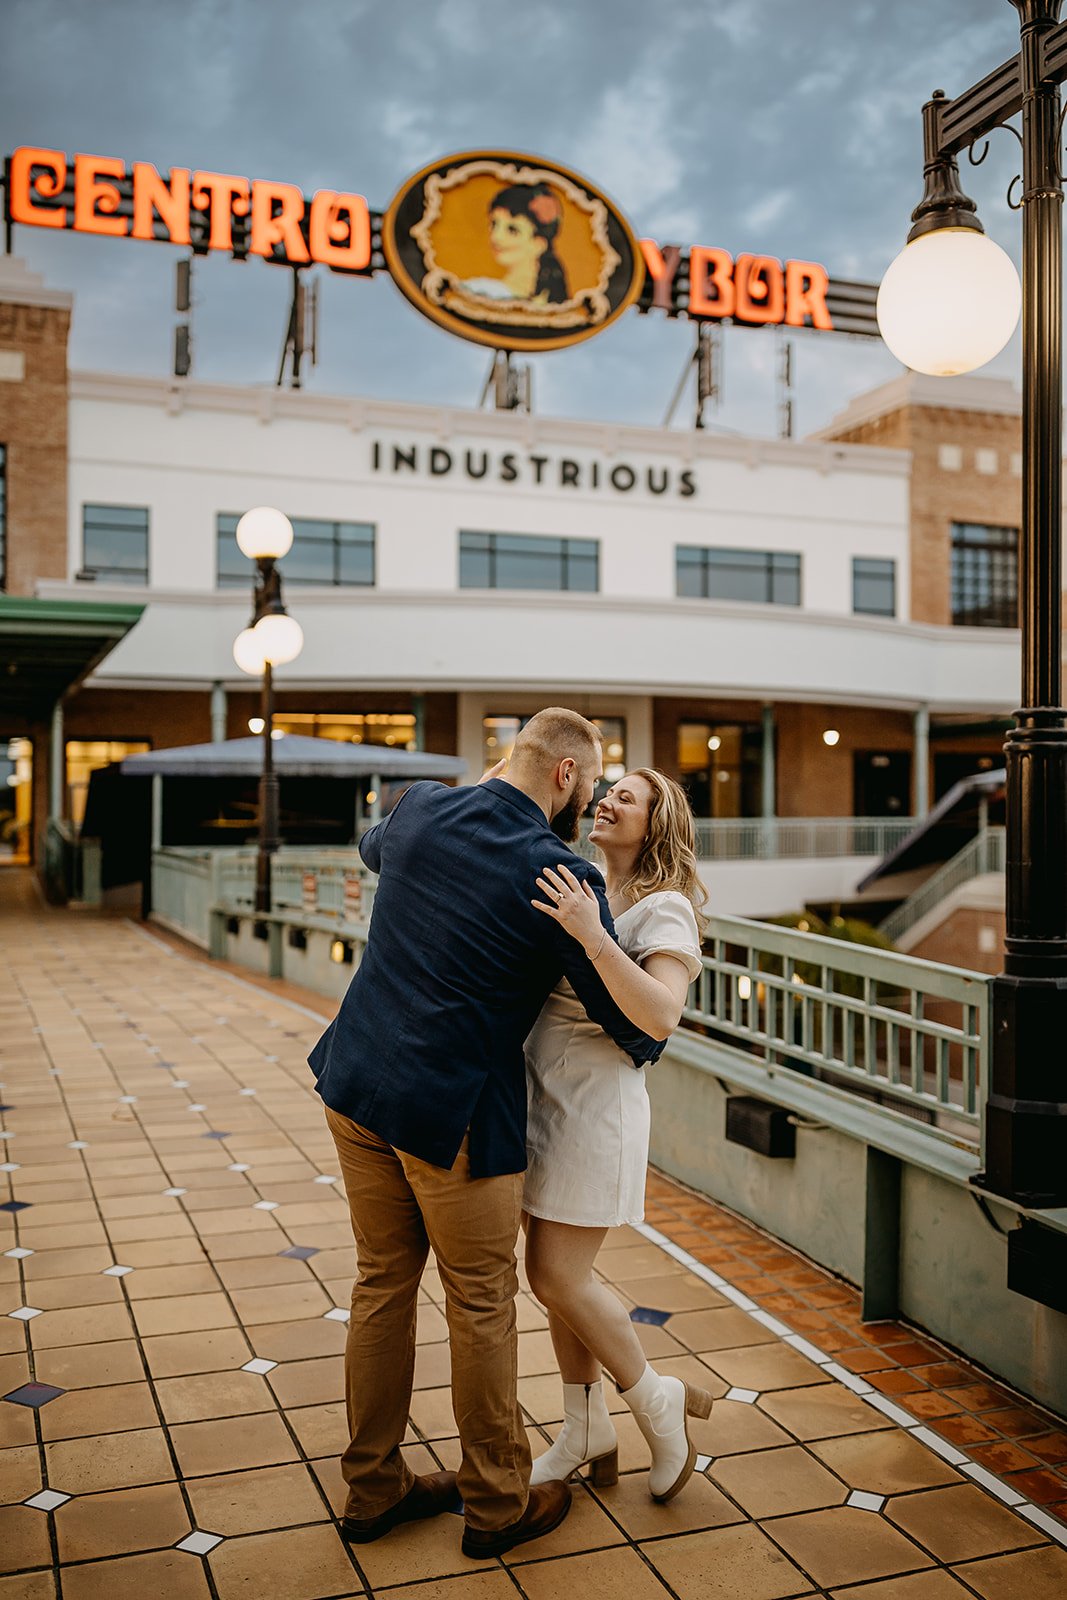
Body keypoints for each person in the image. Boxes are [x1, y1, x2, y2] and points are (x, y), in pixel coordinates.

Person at [307, 709, 664, 1560]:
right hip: (451, 1114)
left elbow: (372, 849)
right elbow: (636, 1031)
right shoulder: (557, 872)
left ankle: (373, 1489)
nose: (589, 803)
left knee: (381, 1286)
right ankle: (498, 1503)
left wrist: (468, 804)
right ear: (567, 776)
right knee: (478, 1303)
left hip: (356, 1083)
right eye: (590, 784)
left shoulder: (422, 806)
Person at [522, 770, 712, 1503]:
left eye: (626, 797)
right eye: (606, 790)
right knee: (556, 1285)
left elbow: (661, 1015)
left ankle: (657, 1403)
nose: (605, 800)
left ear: (656, 824)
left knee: (556, 1277)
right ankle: (585, 1428)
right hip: (543, 1101)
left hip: (595, 1112)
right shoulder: (590, 885)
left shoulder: (665, 908)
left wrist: (590, 934)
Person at [461, 182, 569, 304]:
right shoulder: (478, 290)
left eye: (512, 230)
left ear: (539, 244)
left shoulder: (551, 302)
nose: (495, 237)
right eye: (494, 224)